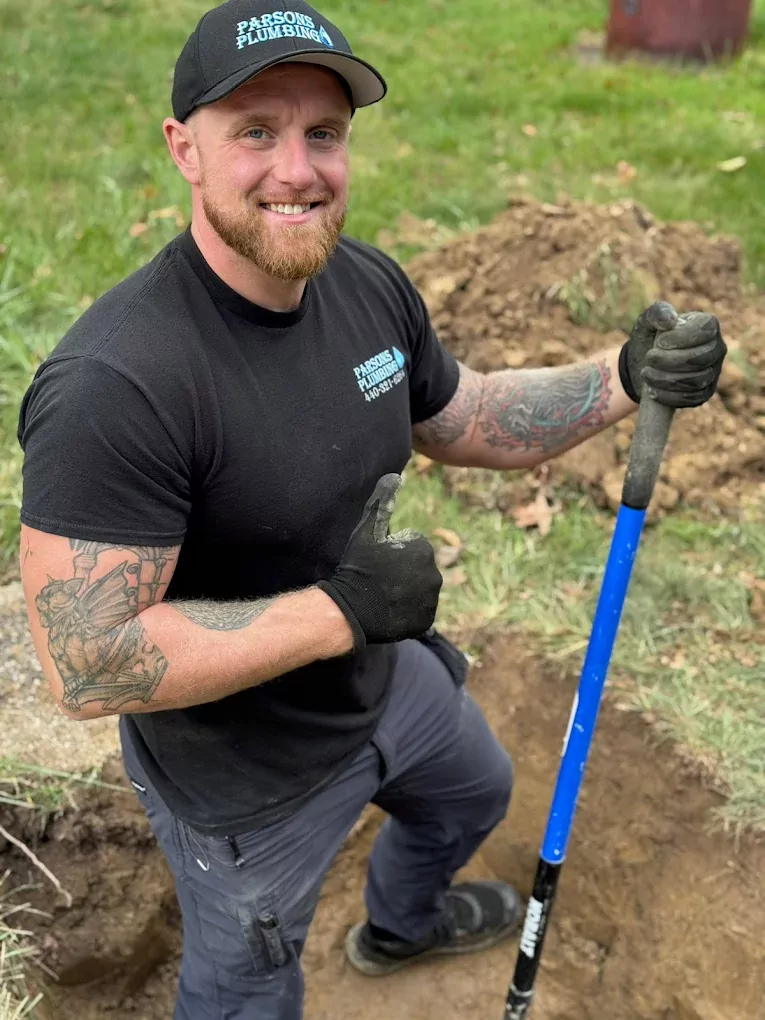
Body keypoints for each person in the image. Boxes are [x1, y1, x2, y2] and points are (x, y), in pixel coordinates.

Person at [17, 1, 727, 1018]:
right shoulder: (118, 383)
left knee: (476, 791)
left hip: (385, 683)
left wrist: (623, 376)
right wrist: (342, 610)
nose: (297, 169)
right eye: (255, 131)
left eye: (324, 133)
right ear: (185, 149)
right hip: (244, 788)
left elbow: (463, 412)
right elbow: (84, 664)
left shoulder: (364, 286)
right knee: (247, 992)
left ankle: (399, 925)